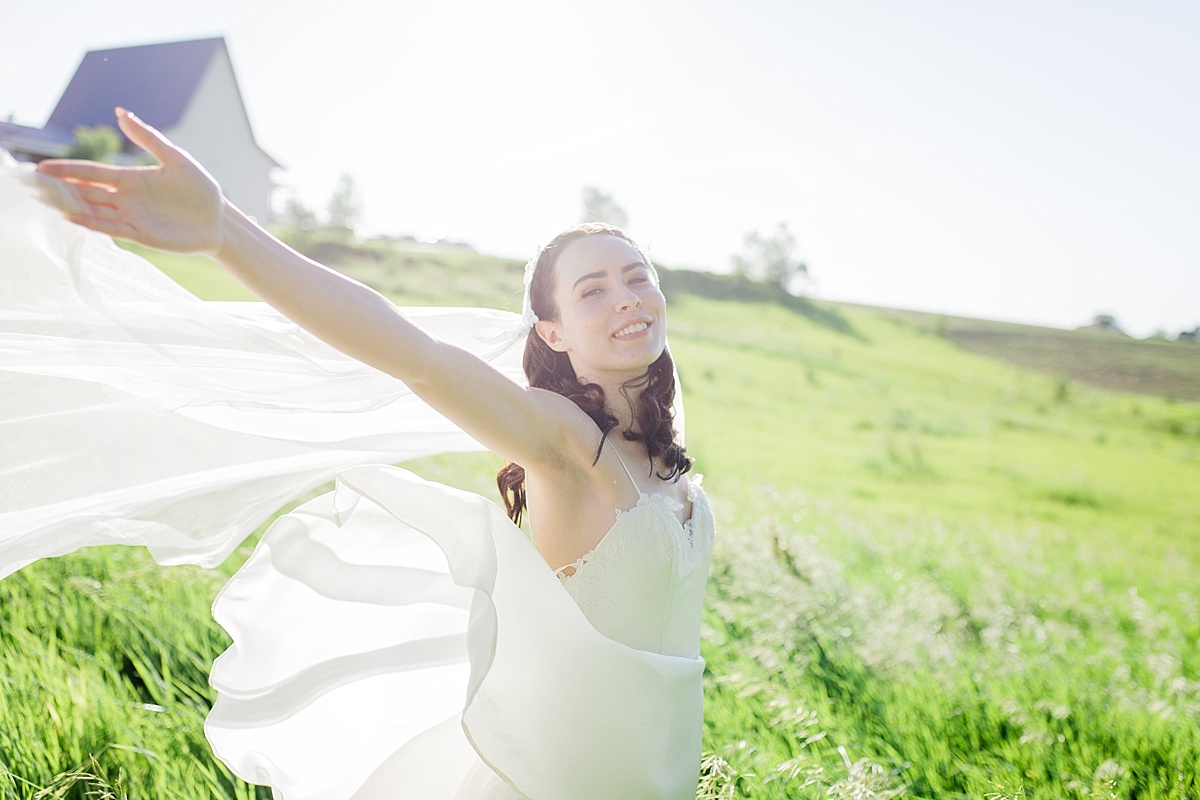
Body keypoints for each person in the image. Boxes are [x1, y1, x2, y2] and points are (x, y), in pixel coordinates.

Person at [5, 109, 715, 799]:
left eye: (637, 277)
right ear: (553, 334)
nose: (627, 298)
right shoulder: (566, 443)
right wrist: (226, 233)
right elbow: (418, 358)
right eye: (593, 290)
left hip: (656, 773)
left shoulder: (659, 446)